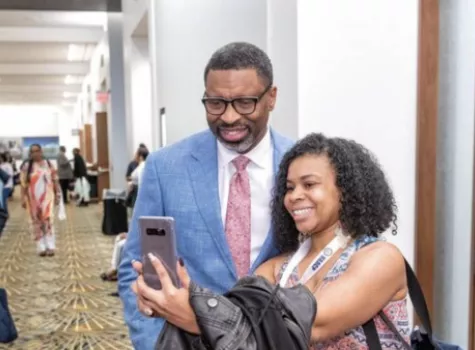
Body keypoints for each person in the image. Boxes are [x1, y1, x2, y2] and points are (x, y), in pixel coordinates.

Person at [132, 133, 410, 349]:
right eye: (289, 188)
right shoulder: (276, 268)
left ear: (346, 191)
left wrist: (195, 314)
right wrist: (175, 299)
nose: (294, 196)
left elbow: (311, 325)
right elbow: (242, 325)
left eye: (309, 184)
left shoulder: (379, 258)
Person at [118, 41, 294, 349]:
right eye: (215, 103)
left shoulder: (301, 164)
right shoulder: (165, 167)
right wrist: (153, 343)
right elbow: (134, 263)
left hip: (274, 339)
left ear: (272, 98)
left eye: (244, 102)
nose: (228, 118)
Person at [20, 144, 61, 257]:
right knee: (36, 221)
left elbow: (55, 180)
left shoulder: (48, 164)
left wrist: (58, 193)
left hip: (47, 197)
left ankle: (50, 245)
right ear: (30, 153)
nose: (35, 153)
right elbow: (23, 184)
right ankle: (41, 246)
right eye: (33, 151)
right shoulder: (27, 166)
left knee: (48, 220)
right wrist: (23, 198)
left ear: (41, 151)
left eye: (37, 151)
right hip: (33, 199)